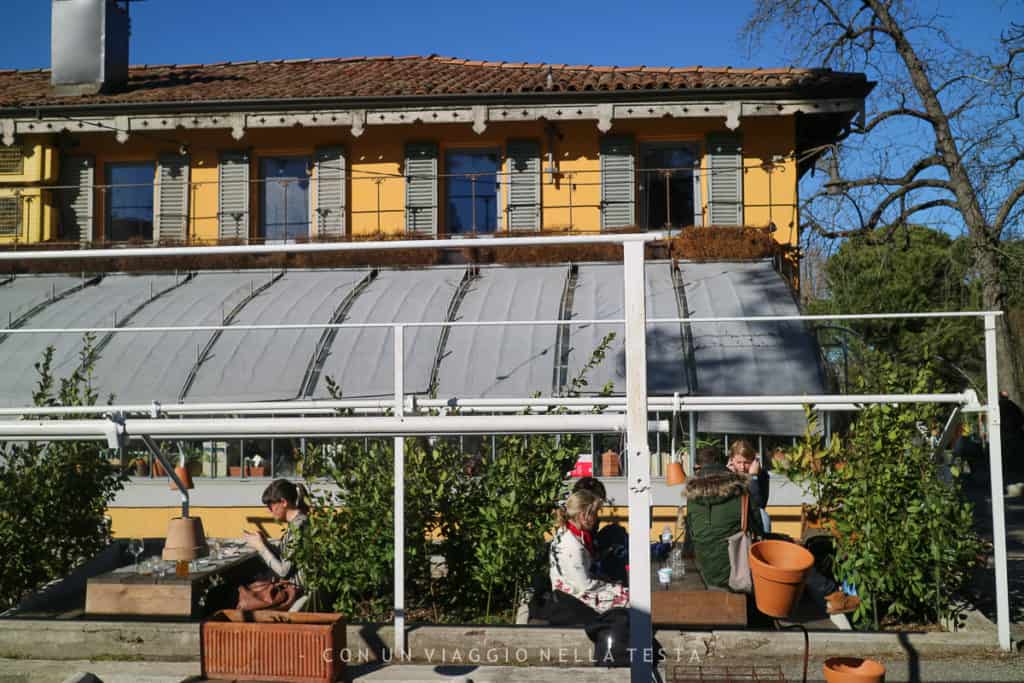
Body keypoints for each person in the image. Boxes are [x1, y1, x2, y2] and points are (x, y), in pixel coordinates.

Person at [684, 446, 764, 590]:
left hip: (704, 571)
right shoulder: (741, 489)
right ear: (726, 463)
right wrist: (753, 477)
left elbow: (689, 534)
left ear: (697, 467)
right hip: (738, 572)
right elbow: (758, 527)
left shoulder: (692, 496)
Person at [549, 489, 629, 618]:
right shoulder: (571, 545)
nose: (597, 517)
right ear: (583, 516)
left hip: (576, 594)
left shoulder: (573, 535)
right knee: (633, 602)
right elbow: (584, 585)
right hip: (575, 601)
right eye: (595, 513)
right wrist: (614, 587)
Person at [243, 478, 310, 588]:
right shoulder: (298, 522)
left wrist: (261, 547)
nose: (269, 511)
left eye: (270, 506)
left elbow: (284, 572)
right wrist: (265, 543)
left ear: (283, 502)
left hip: (294, 588)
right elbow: (285, 556)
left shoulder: (299, 527)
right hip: (293, 586)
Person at [727, 439, 771, 532]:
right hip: (731, 512)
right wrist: (730, 477)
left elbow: (760, 504)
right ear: (731, 460)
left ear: (754, 461)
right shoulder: (726, 474)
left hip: (752, 512)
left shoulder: (761, 475)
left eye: (746, 463)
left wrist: (753, 478)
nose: (742, 467)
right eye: (738, 462)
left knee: (763, 516)